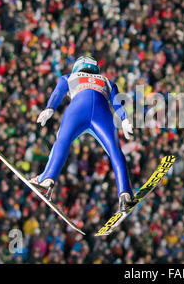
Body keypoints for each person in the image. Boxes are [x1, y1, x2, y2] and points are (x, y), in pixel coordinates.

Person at [30, 54, 137, 213]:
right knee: (115, 151)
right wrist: (125, 119)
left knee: (62, 141)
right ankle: (125, 194)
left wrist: (49, 109)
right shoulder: (107, 81)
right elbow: (117, 102)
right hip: (102, 115)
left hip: (77, 110)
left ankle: (47, 179)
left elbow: (58, 93)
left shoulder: (69, 77)